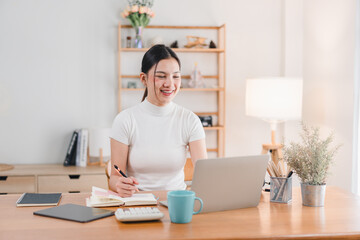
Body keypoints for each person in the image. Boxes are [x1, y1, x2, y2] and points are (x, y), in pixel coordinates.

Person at [109, 44, 208, 197]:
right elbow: (115, 176)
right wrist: (118, 184)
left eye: (176, 76)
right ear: (144, 78)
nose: (170, 84)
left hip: (176, 203)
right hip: (138, 203)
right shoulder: (125, 120)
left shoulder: (190, 120)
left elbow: (205, 174)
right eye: (161, 76)